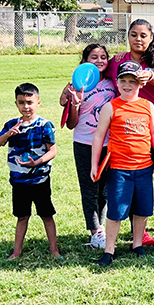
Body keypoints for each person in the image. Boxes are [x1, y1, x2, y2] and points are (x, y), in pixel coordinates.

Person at [105, 19, 154, 244]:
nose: (138, 39)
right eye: (134, 34)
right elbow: (97, 73)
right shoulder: (118, 60)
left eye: (143, 35)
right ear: (128, 36)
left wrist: (149, 75)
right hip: (130, 132)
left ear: (151, 37)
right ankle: (139, 233)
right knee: (134, 183)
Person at [91, 60, 154, 266]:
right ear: (117, 82)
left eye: (132, 81)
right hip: (119, 169)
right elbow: (98, 137)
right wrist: (94, 164)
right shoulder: (111, 107)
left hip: (143, 168)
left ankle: (137, 243)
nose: (127, 85)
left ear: (141, 84)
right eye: (123, 80)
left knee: (142, 209)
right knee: (116, 211)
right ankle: (109, 249)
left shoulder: (147, 106)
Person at [59, 44, 117, 249]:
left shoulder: (113, 84)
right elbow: (71, 124)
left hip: (109, 145)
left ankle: (99, 229)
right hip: (84, 144)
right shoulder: (77, 85)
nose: (100, 61)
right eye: (94, 57)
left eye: (103, 57)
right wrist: (73, 102)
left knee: (105, 190)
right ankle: (95, 231)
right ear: (84, 62)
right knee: (89, 189)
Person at [1, 83, 60, 259]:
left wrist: (37, 163)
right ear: (16, 104)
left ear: (38, 102)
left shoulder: (44, 125)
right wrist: (8, 134)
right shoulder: (11, 124)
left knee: (47, 215)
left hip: (39, 180)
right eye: (21, 102)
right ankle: (17, 251)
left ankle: (54, 250)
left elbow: (53, 150)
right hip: (19, 181)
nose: (26, 106)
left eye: (29, 102)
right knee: (21, 216)